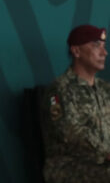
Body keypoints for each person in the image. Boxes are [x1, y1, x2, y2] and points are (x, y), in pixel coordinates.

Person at [42, 24, 110, 182]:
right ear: (76, 51)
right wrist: (106, 152)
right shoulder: (59, 89)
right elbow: (71, 134)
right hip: (70, 167)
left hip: (103, 164)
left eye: (104, 47)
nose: (104, 53)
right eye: (96, 46)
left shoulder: (106, 90)